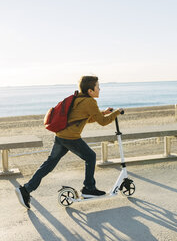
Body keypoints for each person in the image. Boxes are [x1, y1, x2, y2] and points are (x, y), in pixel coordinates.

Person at [15, 76, 122, 209]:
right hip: (71, 138)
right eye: (97, 86)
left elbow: (85, 119)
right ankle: (89, 188)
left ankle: (26, 189)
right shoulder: (90, 102)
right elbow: (103, 122)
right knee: (91, 156)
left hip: (61, 136)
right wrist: (117, 112)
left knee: (49, 164)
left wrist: (103, 112)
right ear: (90, 90)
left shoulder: (79, 98)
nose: (100, 89)